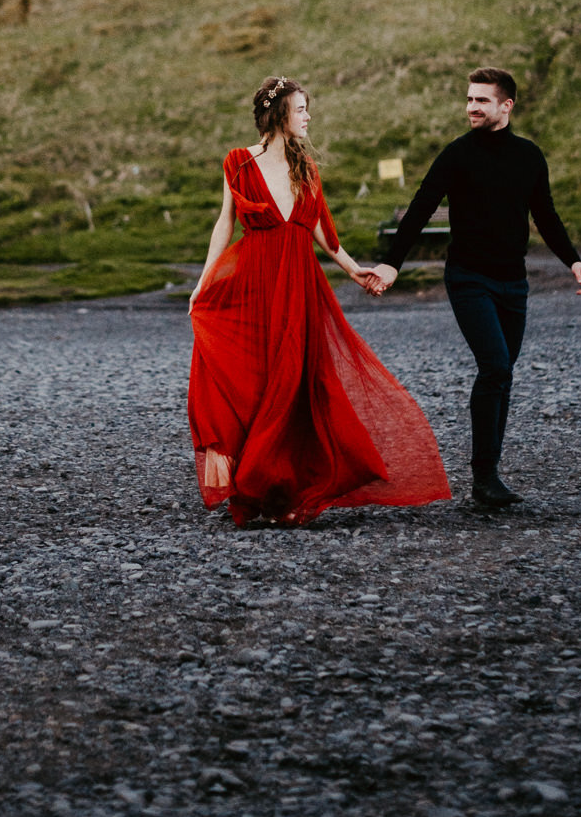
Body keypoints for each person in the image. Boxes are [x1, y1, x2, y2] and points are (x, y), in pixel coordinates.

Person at [187, 75, 450, 527]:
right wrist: (204, 280)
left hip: (300, 288)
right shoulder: (237, 162)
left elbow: (323, 234)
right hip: (254, 284)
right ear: (277, 114)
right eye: (301, 109)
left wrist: (355, 270)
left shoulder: (305, 169)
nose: (308, 117)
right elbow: (224, 224)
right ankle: (258, 487)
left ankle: (286, 486)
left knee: (298, 384)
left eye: (308, 109)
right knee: (258, 381)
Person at [368, 67, 581, 510]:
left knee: (503, 373)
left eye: (481, 101)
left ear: (506, 106)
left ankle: (488, 475)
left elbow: (545, 214)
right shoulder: (457, 155)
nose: (471, 107)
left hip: (514, 281)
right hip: (469, 278)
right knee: (495, 366)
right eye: (469, 99)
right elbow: (419, 209)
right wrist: (392, 264)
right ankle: (484, 477)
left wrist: (573, 259)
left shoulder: (528, 157)